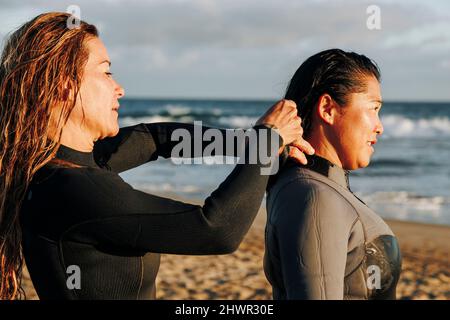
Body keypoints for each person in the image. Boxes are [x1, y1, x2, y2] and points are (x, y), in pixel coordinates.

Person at [0, 12, 314, 300]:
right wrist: (266, 140)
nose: (119, 88)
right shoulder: (69, 187)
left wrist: (246, 144)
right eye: (106, 73)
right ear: (66, 87)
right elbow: (216, 231)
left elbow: (155, 139)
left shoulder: (67, 165)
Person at [264, 49, 402, 300]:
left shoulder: (315, 187)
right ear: (328, 108)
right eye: (373, 108)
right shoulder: (314, 197)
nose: (379, 127)